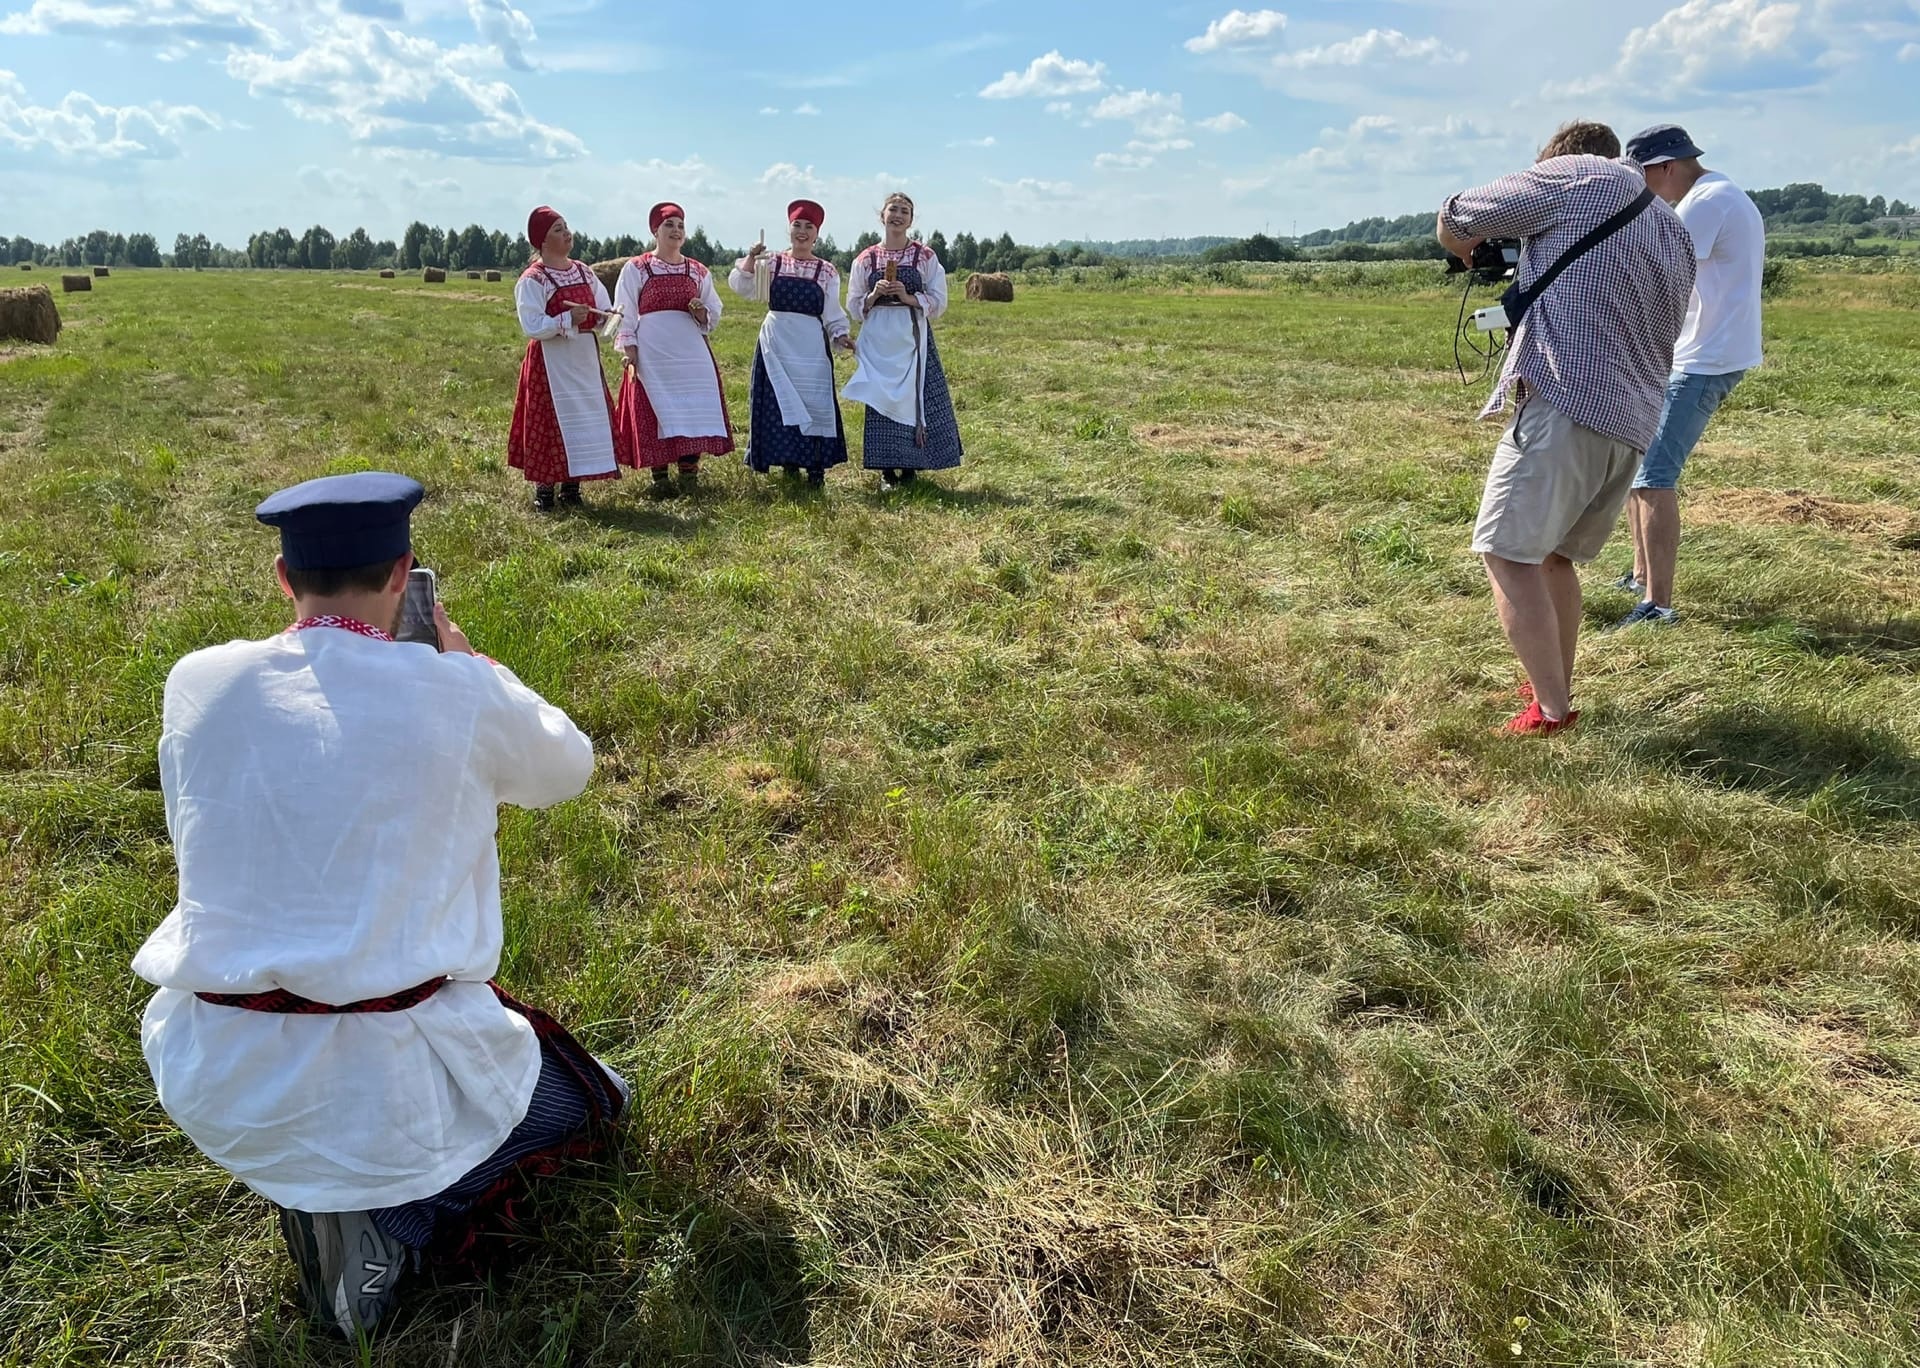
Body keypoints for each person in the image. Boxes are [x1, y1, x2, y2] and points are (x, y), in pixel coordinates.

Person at [132, 473, 627, 1338]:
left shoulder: (194, 681)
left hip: (218, 1063)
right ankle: (383, 1225)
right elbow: (567, 768)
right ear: (405, 575)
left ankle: (330, 1198)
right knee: (594, 1102)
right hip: (393, 1070)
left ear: (285, 581)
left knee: (376, 1101)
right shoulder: (457, 689)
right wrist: (472, 664)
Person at [1437, 122, 1695, 735]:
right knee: (1554, 558)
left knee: (1503, 551)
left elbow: (1456, 215)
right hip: (1631, 422)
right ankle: (1552, 689)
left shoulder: (1576, 175)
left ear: (1554, 162)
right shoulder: (1671, 228)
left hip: (1567, 403)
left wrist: (1463, 248)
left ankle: (1551, 711)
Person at [1612, 125, 1766, 628]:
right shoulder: (1717, 193)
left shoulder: (1705, 203)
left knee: (1655, 475)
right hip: (1698, 353)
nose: (1642, 190)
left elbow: (1655, 267)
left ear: (1666, 167)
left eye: (1644, 178)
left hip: (1705, 359)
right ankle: (1639, 574)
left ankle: (1658, 605)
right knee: (1641, 465)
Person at [728, 198, 855, 486]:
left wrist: (840, 334)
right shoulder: (771, 261)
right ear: (789, 229)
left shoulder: (826, 271)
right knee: (777, 402)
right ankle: (787, 462)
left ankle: (814, 468)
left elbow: (832, 311)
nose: (802, 231)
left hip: (810, 345)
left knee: (813, 402)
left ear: (817, 234)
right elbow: (743, 288)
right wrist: (751, 257)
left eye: (809, 227)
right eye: (797, 225)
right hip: (776, 343)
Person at [844, 193, 963, 491]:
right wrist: (875, 295)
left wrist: (908, 297)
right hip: (878, 338)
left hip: (910, 334)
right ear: (882, 215)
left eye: (905, 211)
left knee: (912, 399)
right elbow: (854, 302)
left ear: (911, 219)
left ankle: (911, 467)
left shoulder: (924, 256)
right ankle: (886, 471)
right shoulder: (866, 258)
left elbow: (940, 299)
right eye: (893, 209)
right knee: (881, 399)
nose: (898, 215)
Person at [508, 205, 624, 511]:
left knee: (584, 416)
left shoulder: (584, 271)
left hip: (583, 357)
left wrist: (607, 317)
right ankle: (544, 491)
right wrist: (567, 318)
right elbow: (531, 325)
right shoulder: (534, 279)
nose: (566, 233)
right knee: (550, 422)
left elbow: (601, 306)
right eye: (558, 230)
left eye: (566, 227)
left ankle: (573, 488)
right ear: (542, 242)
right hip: (551, 359)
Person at [614, 202, 734, 494]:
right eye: (669, 225)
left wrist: (701, 312)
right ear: (655, 230)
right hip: (653, 350)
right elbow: (624, 309)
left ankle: (689, 473)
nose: (676, 230)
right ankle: (660, 478)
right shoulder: (637, 268)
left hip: (690, 350)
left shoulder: (697, 270)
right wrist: (629, 347)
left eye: (680, 225)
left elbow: (713, 310)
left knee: (694, 405)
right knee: (657, 406)